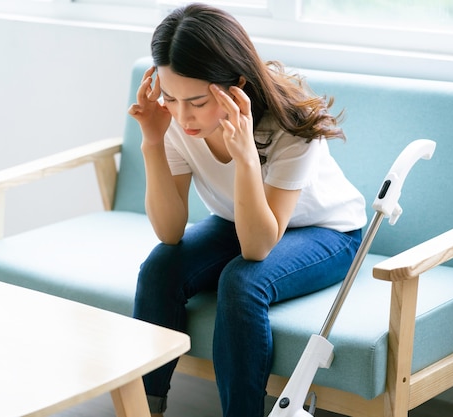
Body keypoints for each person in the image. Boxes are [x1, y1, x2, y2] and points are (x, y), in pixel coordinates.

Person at [128, 3, 367, 416]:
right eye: (170, 98)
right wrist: (152, 140)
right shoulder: (174, 121)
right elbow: (169, 232)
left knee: (242, 281)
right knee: (159, 267)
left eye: (198, 101)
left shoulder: (290, 124)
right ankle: (143, 408)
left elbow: (257, 248)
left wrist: (246, 159)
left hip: (328, 232)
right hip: (241, 222)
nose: (184, 115)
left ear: (235, 86)